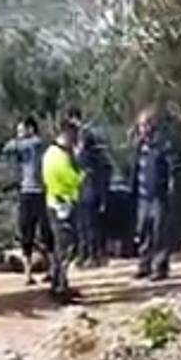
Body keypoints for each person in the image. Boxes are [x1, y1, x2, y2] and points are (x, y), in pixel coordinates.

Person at [1, 117, 50, 286]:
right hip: (26, 192)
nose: (19, 135)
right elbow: (7, 150)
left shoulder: (37, 143)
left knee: (46, 232)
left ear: (31, 129)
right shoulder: (23, 147)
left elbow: (11, 146)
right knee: (26, 232)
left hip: (41, 193)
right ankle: (28, 273)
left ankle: (52, 270)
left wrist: (16, 141)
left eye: (22, 130)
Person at [130, 107, 175, 283]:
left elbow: (172, 169)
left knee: (159, 233)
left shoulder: (163, 145)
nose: (142, 128)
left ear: (152, 124)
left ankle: (160, 267)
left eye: (145, 124)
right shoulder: (140, 146)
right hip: (142, 197)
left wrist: (171, 189)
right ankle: (144, 265)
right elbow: (135, 170)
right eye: (140, 125)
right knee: (143, 232)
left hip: (158, 196)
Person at [42, 119, 83, 304]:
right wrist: (82, 173)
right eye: (74, 137)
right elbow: (72, 179)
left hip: (59, 203)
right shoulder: (58, 157)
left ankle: (61, 283)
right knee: (65, 249)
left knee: (63, 248)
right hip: (61, 206)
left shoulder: (53, 153)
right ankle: (59, 287)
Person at [69, 108, 110, 267]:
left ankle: (94, 255)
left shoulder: (88, 138)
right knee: (81, 224)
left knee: (90, 223)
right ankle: (84, 253)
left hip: (89, 185)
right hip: (78, 186)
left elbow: (96, 166)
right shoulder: (74, 141)